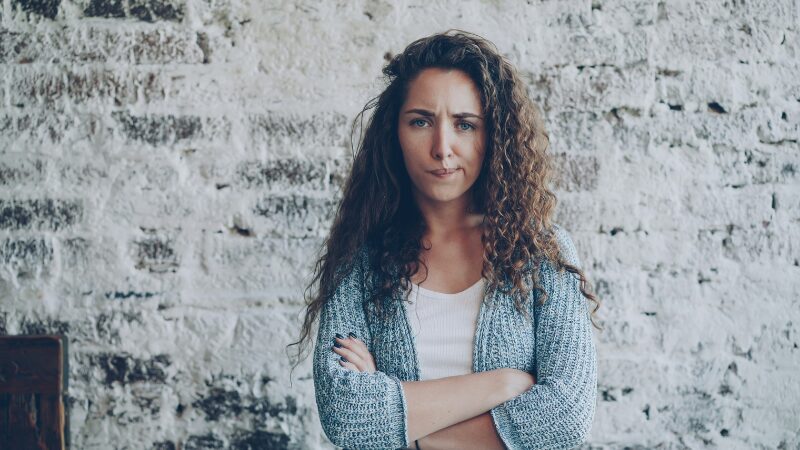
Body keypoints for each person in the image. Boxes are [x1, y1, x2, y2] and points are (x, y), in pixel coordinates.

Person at [288, 29, 602, 450]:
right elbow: (347, 418)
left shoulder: (541, 253)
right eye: (420, 121)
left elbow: (566, 417)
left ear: (493, 136)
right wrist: (503, 384)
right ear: (394, 133)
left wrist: (410, 435)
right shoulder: (360, 260)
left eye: (465, 124)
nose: (442, 147)